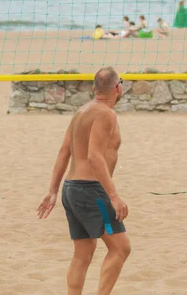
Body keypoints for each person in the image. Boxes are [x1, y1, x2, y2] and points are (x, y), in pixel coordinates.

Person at [37, 66, 131, 295]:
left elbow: (63, 152)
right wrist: (113, 196)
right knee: (121, 249)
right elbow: (94, 156)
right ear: (118, 88)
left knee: (84, 251)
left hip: (72, 189)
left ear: (94, 88)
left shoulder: (81, 112)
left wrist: (53, 191)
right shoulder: (105, 114)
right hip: (90, 192)